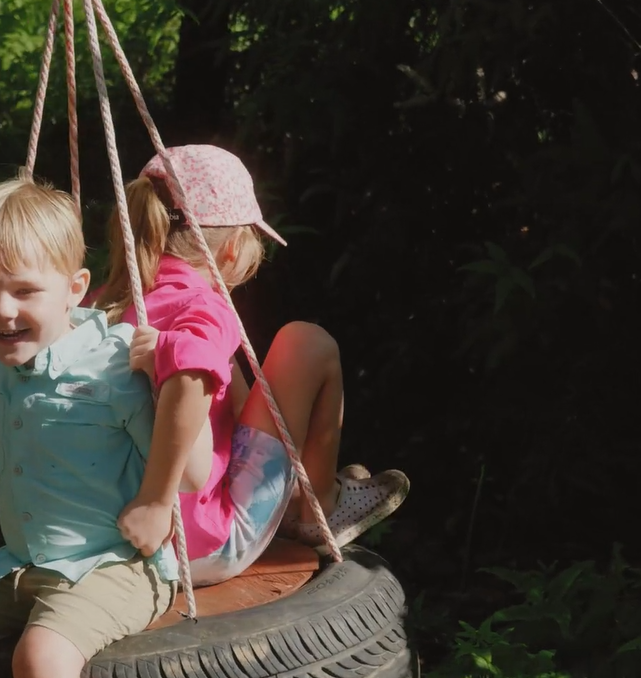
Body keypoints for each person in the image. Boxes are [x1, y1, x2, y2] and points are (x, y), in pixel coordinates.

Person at [0, 175, 196, 678]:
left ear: (76, 289)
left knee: (41, 659)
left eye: (25, 291)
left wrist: (156, 501)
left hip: (112, 565)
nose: (2, 311)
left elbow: (192, 469)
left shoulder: (115, 368)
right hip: (21, 562)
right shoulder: (5, 356)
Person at [95, 145, 411, 585]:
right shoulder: (201, 308)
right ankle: (318, 504)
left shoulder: (104, 301)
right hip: (199, 544)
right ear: (230, 252)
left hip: (102, 535)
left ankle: (302, 490)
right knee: (305, 342)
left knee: (222, 367)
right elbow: (192, 371)